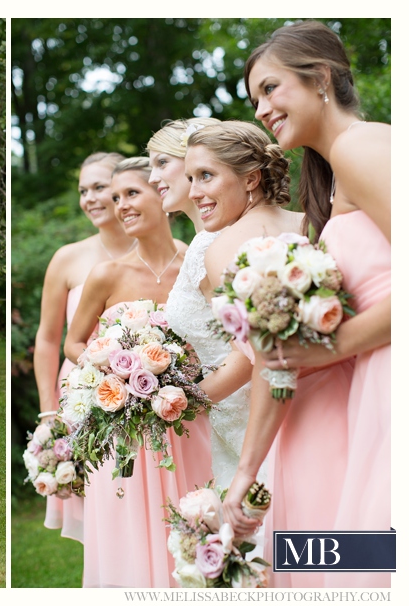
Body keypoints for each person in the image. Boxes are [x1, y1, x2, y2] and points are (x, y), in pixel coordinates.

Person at [224, 20, 390, 588]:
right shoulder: (333, 180)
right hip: (360, 397)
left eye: (271, 89)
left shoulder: (363, 147)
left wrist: (324, 350)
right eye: (254, 100)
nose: (262, 109)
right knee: (366, 567)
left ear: (320, 78)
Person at [63, 157, 196, 587]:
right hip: (126, 431)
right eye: (115, 197)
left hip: (188, 424)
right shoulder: (107, 274)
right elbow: (73, 342)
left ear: (163, 193)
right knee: (130, 545)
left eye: (131, 193)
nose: (121, 205)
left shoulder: (197, 265)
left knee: (191, 533)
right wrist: (111, 373)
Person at [148, 117, 261, 492]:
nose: (153, 177)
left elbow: (249, 351)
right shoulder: (206, 240)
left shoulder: (214, 246)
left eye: (161, 163)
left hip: (248, 409)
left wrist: (182, 403)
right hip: (229, 415)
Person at [33, 151, 133, 542]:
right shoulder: (68, 258)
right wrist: (47, 412)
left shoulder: (170, 252)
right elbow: (46, 338)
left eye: (99, 187)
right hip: (79, 397)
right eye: (83, 190)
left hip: (146, 393)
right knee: (98, 506)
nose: (89, 198)